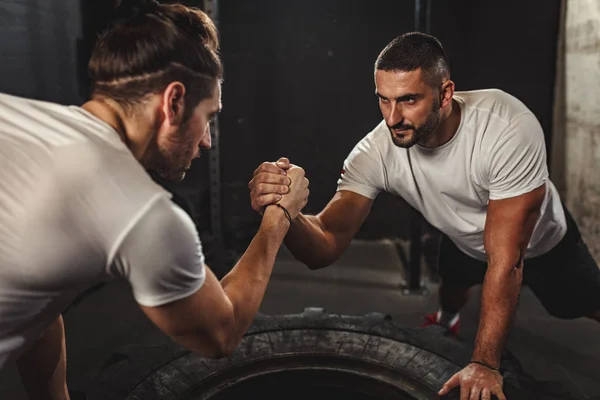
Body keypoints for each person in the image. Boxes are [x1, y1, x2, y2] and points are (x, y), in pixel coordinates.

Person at [248, 32, 600, 400]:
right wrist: (286, 210)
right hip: (463, 238)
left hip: (542, 243)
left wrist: (484, 364)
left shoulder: (506, 127)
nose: (393, 117)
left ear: (445, 94)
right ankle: (447, 320)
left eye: (408, 100)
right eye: (383, 101)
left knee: (586, 304)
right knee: (452, 286)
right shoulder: (377, 151)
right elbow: (324, 246)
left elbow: (506, 262)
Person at [0, 1, 309, 399]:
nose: (207, 141)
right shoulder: (139, 213)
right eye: (208, 117)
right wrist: (279, 217)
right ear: (174, 102)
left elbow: (40, 302)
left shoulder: (19, 118)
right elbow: (222, 333)